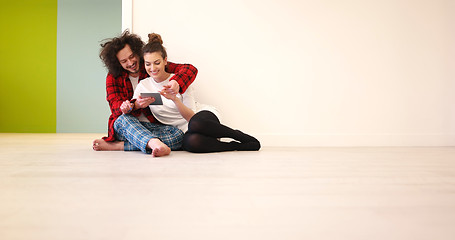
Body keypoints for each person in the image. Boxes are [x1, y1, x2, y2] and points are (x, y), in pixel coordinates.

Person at [124, 33, 260, 153]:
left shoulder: (177, 80)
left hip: (201, 118)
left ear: (165, 61)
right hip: (182, 131)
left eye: (157, 63)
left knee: (195, 123)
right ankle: (235, 146)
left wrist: (175, 99)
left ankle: (238, 135)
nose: (152, 68)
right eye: (148, 64)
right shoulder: (144, 85)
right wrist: (137, 105)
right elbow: (133, 105)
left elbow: (191, 117)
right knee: (191, 144)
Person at [92, 30, 198, 157]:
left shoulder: (150, 65)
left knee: (178, 136)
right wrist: (134, 105)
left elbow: (189, 69)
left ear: (138, 52)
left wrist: (176, 82)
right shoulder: (113, 77)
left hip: (154, 126)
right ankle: (154, 144)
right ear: (117, 63)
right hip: (128, 126)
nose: (130, 63)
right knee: (121, 120)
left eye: (132, 57)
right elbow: (115, 109)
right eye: (124, 61)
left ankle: (120, 146)